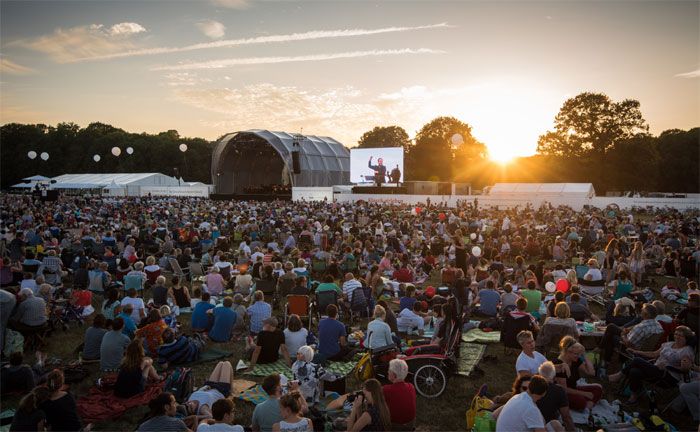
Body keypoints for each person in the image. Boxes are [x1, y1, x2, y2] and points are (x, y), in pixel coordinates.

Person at [608, 326, 695, 404]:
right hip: (655, 370)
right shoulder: (669, 344)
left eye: (681, 335)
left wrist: (669, 367)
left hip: (668, 376)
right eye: (676, 334)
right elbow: (653, 354)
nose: (677, 337)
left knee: (637, 360)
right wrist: (636, 351)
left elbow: (685, 369)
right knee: (634, 371)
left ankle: (619, 375)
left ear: (686, 338)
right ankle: (634, 394)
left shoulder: (686, 350)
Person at [553, 336, 602, 412]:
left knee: (598, 389)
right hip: (563, 393)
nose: (578, 356)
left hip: (574, 389)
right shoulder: (559, 364)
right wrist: (584, 394)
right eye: (576, 354)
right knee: (581, 401)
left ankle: (588, 405)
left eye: (579, 354)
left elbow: (591, 372)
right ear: (567, 351)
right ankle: (585, 405)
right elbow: (564, 389)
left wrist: (584, 355)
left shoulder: (575, 360)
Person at [537, 361, 575, 432]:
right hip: (549, 425)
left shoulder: (531, 386)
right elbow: (566, 416)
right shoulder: (559, 391)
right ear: (554, 377)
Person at [382, 359, 416, 430]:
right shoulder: (411, 386)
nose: (387, 372)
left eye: (389, 370)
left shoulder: (386, 389)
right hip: (410, 424)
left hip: (395, 426)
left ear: (394, 375)